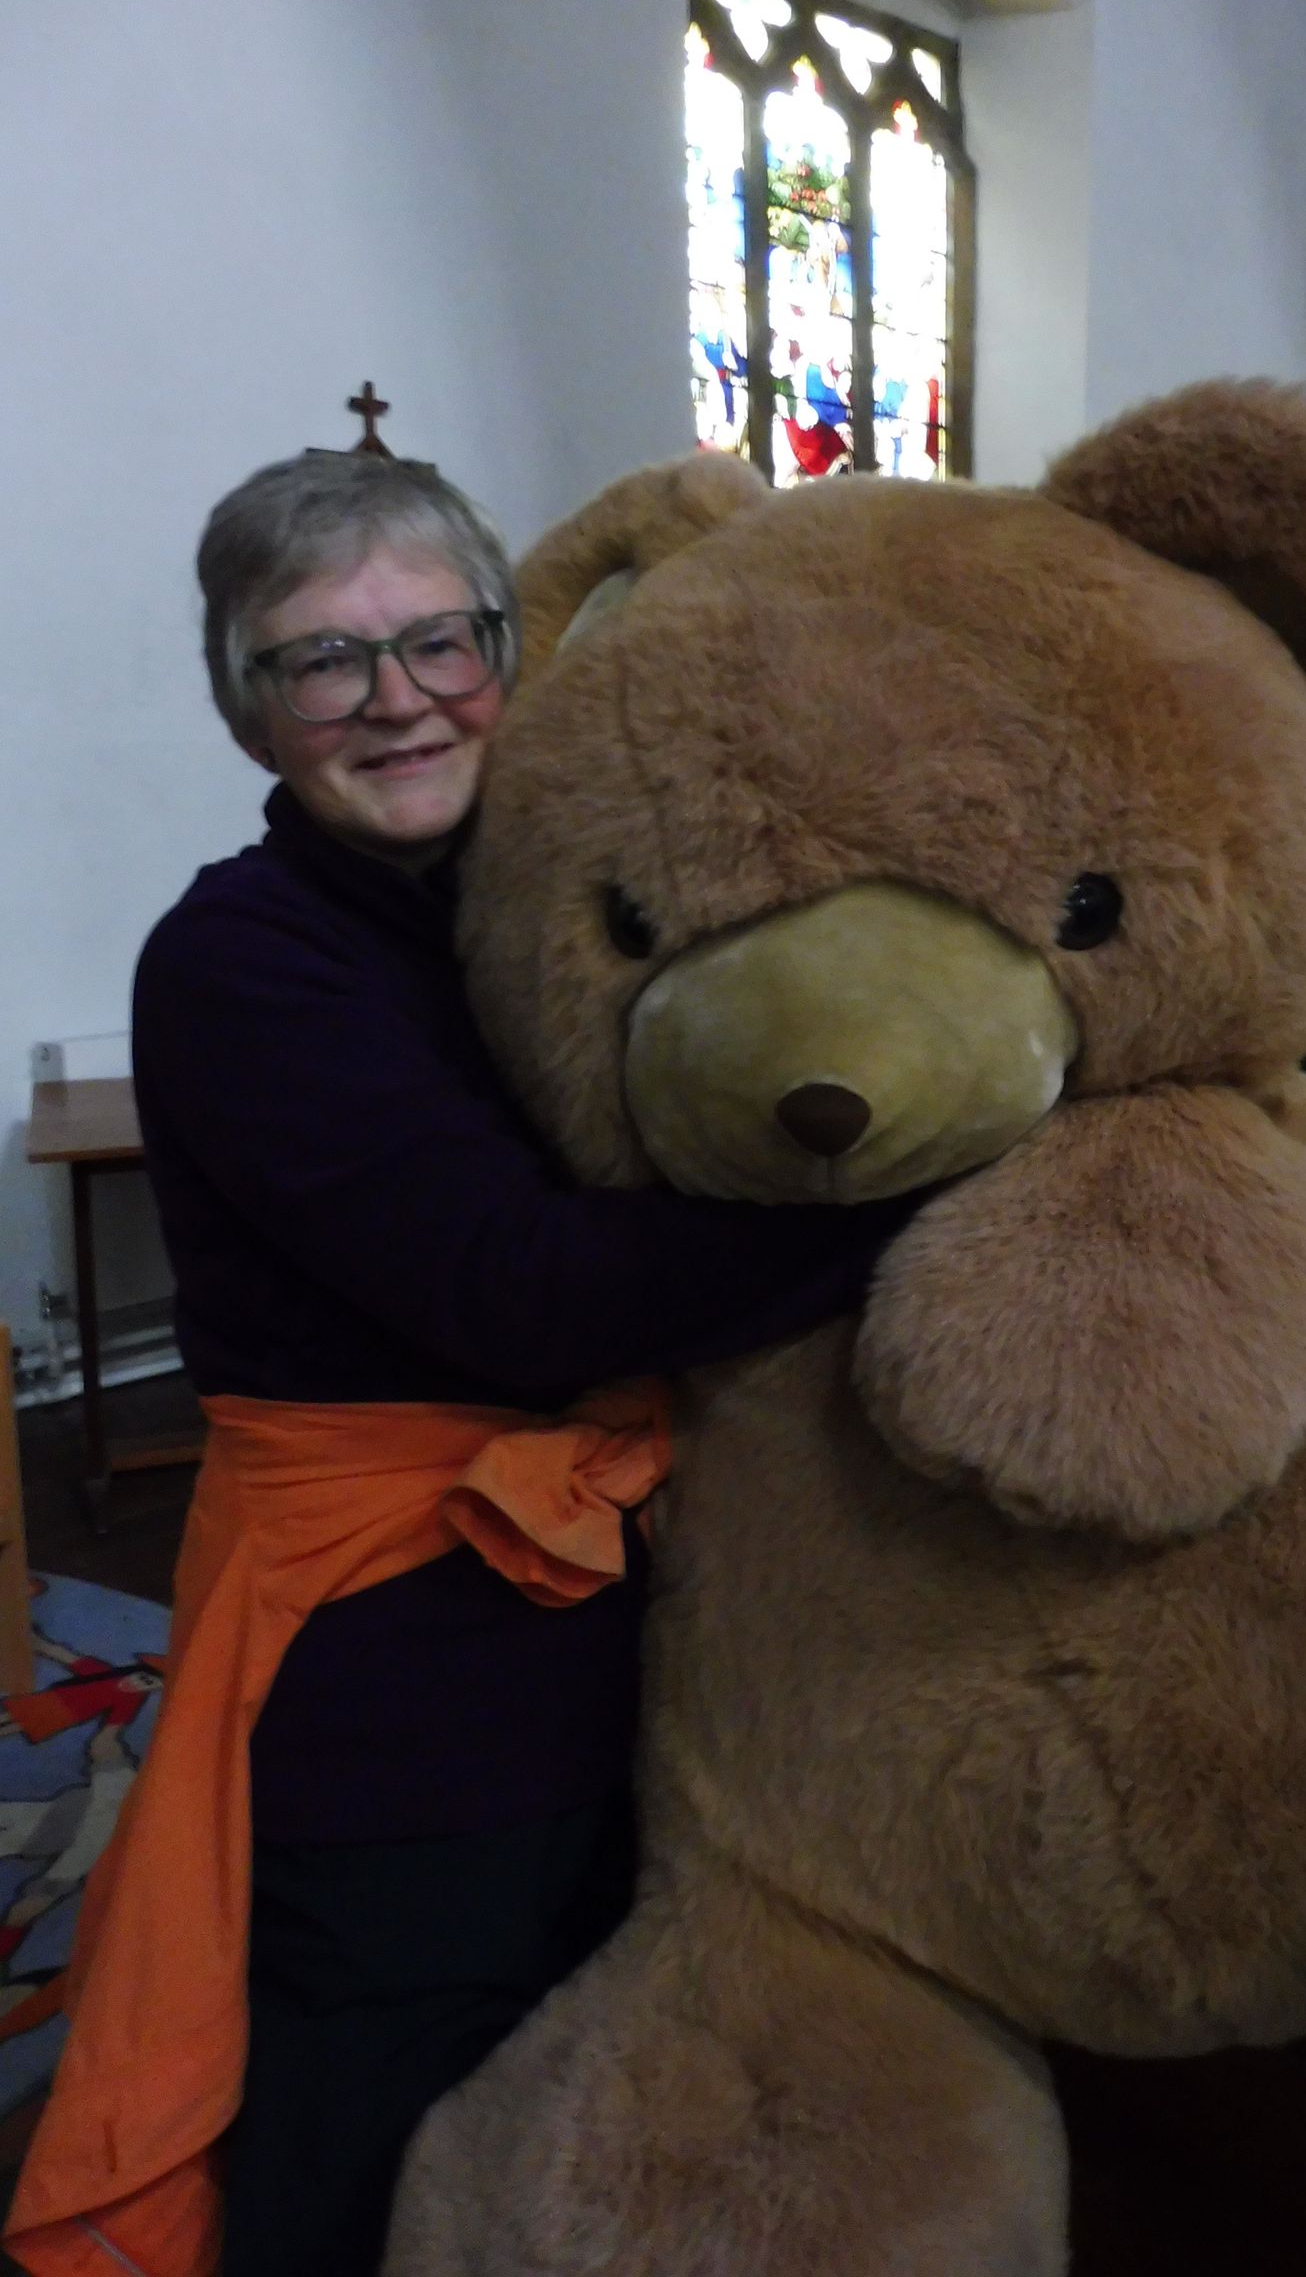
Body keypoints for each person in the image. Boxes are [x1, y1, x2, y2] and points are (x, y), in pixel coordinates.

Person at [6, 450, 915, 2277]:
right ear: (251, 713)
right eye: (323, 660)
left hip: (612, 1585)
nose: (397, 696)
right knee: (383, 2090)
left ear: (511, 650)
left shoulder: (559, 910)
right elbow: (527, 1296)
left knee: (581, 2047)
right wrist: (904, 1192)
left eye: (439, 639)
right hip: (391, 1648)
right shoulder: (237, 961)